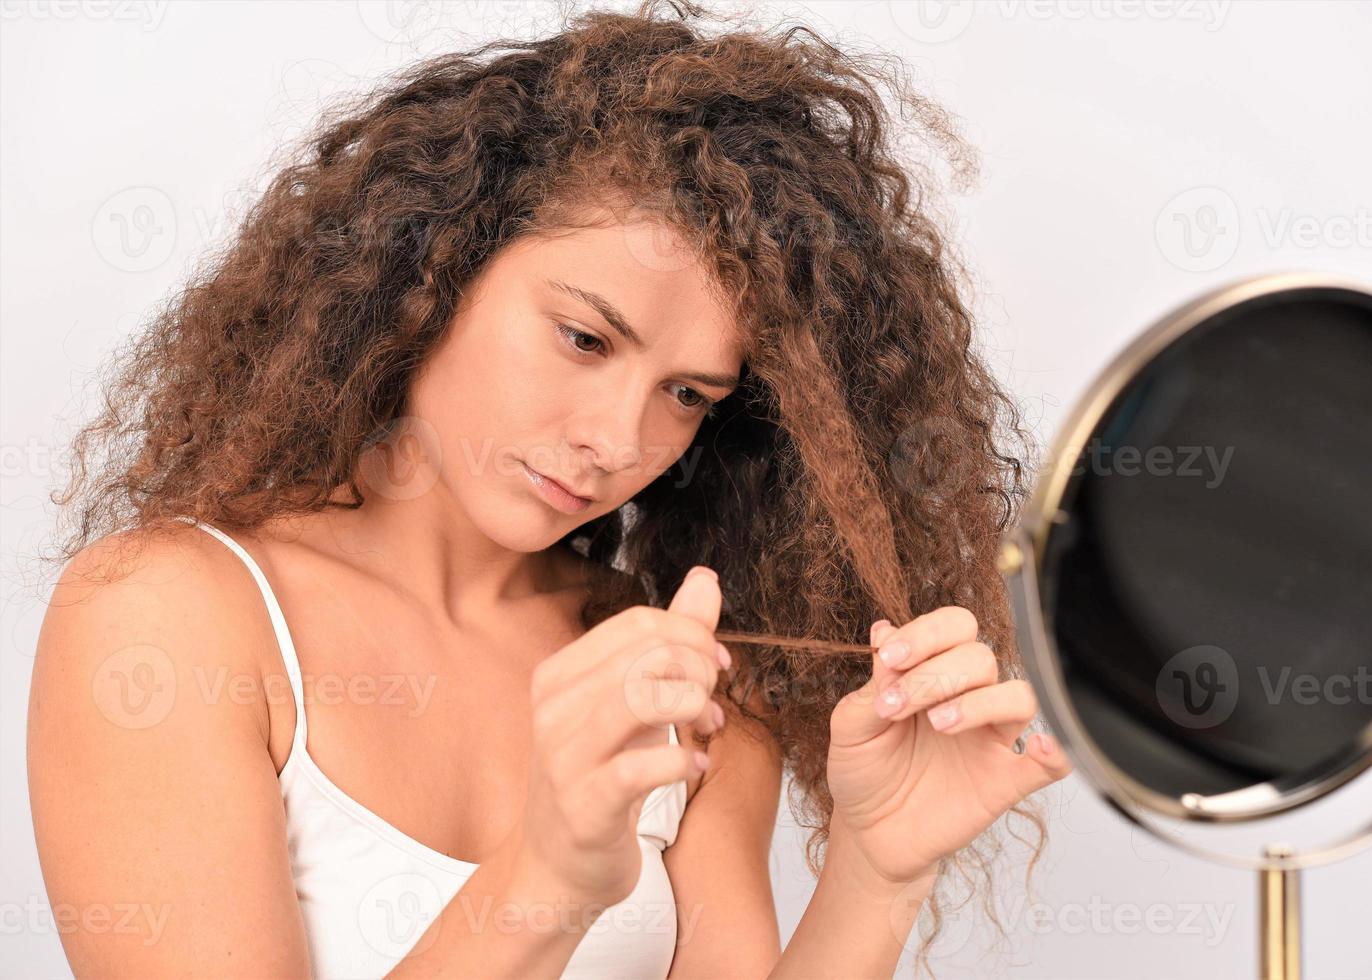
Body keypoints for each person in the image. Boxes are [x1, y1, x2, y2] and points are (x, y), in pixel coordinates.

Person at [27, 2, 1072, 977]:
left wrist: (876, 876)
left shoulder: (687, 676)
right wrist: (545, 878)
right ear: (431, 267)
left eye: (687, 393)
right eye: (583, 336)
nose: (618, 439)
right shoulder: (163, 620)